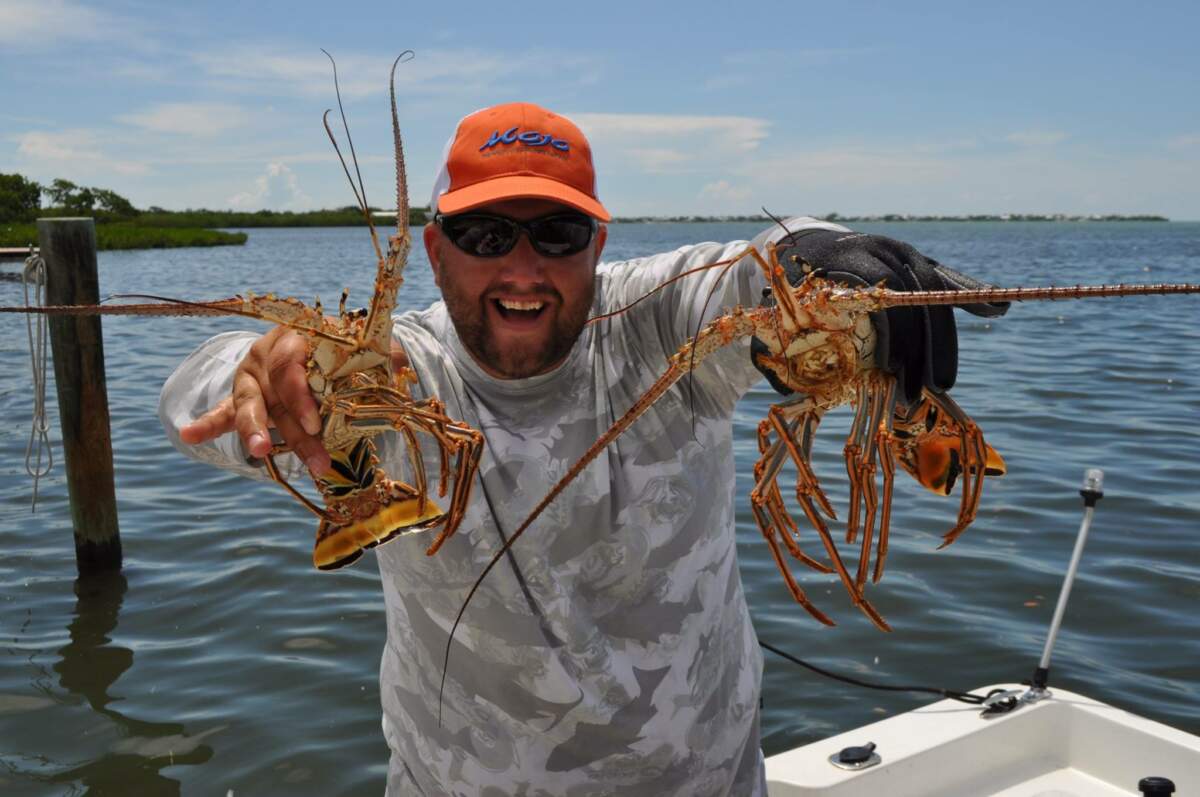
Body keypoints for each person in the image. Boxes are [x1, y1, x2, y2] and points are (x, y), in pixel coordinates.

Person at [159, 102, 1005, 795]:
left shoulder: (652, 324)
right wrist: (260, 370)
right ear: (435, 251)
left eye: (557, 234)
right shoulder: (398, 369)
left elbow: (749, 271)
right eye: (487, 235)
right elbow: (195, 396)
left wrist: (824, 256)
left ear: (598, 245)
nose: (523, 268)